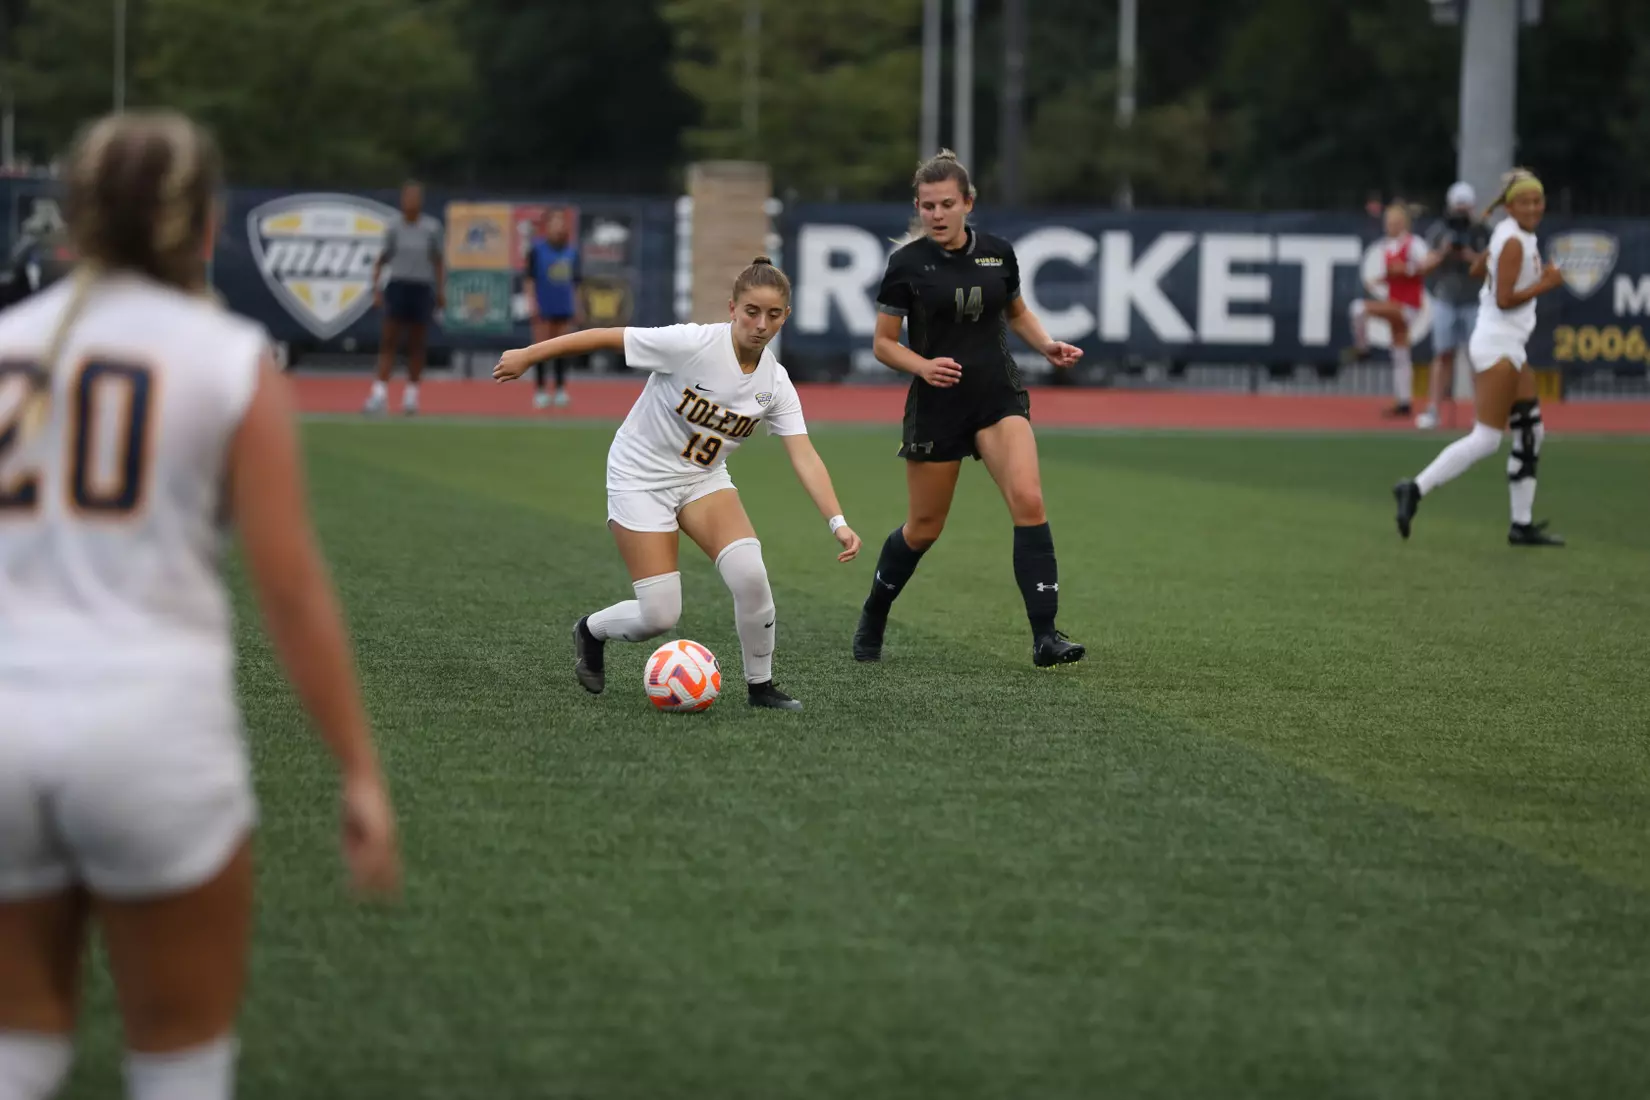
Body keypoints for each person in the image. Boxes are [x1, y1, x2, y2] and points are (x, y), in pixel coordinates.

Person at [0, 110, 400, 1100]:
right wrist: (357, 766)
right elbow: (290, 584)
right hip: (151, 728)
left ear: (72, 223)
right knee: (180, 1062)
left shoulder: (6, 345)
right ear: (207, 224)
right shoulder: (227, 358)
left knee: (20, 1049)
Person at [493, 257, 861, 710]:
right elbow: (606, 336)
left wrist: (837, 521)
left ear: (785, 316)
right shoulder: (690, 344)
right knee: (660, 615)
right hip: (639, 477)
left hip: (702, 479)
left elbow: (804, 454)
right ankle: (590, 630)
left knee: (750, 575)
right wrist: (530, 355)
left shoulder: (776, 383)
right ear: (732, 308)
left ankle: (760, 687)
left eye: (772, 314)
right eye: (751, 311)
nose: (760, 324)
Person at [852, 149, 1086, 669]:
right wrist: (923, 366)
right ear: (918, 206)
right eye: (928, 206)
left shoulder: (999, 254)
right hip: (937, 406)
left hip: (996, 397)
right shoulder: (906, 264)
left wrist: (1045, 344)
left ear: (968, 203)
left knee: (1028, 499)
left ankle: (1045, 636)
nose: (936, 214)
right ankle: (875, 609)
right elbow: (884, 344)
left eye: (947, 204)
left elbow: (1016, 312)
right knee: (924, 528)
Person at [1394, 168, 1568, 547]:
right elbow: (1505, 300)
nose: (1534, 207)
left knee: (1531, 430)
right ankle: (1415, 488)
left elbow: (1476, 269)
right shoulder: (1514, 242)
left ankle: (1520, 525)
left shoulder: (1509, 233)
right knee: (1487, 438)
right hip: (1498, 346)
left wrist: (1495, 273)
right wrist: (1545, 284)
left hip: (1506, 345)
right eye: (1525, 201)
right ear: (1509, 205)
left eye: (1538, 200)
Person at [364, 180, 445, 416]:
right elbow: (382, 259)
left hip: (421, 288)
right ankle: (379, 394)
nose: (411, 202)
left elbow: (438, 261)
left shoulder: (431, 228)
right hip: (398, 286)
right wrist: (376, 289)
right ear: (402, 200)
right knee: (389, 342)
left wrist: (440, 291)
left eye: (416, 197)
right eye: (408, 197)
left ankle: (411, 397)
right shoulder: (393, 227)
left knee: (417, 344)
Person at [1345, 204, 1431, 418]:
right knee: (1400, 352)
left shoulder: (1413, 243)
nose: (1390, 226)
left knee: (1358, 309)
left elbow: (1428, 263)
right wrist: (1379, 280)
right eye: (1388, 223)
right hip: (1396, 302)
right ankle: (1404, 401)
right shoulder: (1388, 246)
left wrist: (1408, 269)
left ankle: (1362, 349)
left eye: (1394, 222)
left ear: (1403, 224)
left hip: (1407, 305)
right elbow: (1393, 275)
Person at [1417, 182, 1491, 430]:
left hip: (1474, 301)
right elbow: (1425, 266)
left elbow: (1493, 268)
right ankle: (1433, 410)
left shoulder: (1482, 232)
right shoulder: (1440, 231)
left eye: (1464, 208)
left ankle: (1481, 413)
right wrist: (1443, 252)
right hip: (1446, 299)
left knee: (1476, 357)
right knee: (1442, 355)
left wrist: (1470, 256)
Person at [522, 208, 583, 410]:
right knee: (541, 348)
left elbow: (575, 282)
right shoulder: (537, 250)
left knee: (562, 348)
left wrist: (577, 305)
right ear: (546, 227)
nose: (559, 226)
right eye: (554, 222)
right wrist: (532, 303)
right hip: (544, 305)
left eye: (561, 222)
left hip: (563, 305)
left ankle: (560, 389)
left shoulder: (571, 251)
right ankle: (539, 390)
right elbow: (529, 279)